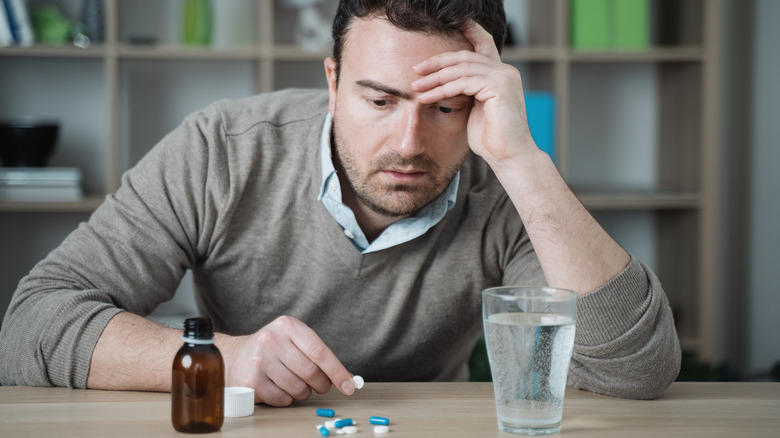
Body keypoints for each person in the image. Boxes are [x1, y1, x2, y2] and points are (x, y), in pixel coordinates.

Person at [0, 0, 680, 405]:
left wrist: (523, 162)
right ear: (332, 81)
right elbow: (31, 325)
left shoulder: (504, 182)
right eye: (379, 100)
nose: (408, 141)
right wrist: (226, 360)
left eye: (446, 106)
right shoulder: (224, 149)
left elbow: (634, 371)